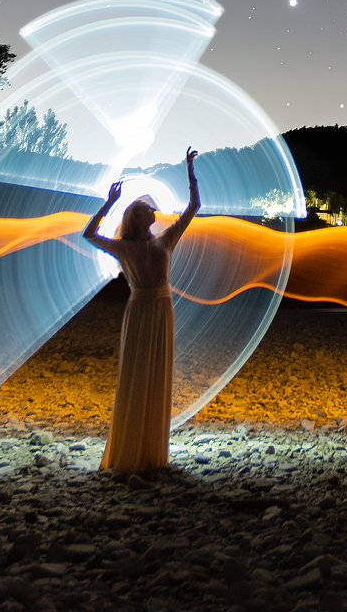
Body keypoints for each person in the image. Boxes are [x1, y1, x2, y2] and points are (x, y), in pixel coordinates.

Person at [82, 147, 202, 474]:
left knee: (155, 374)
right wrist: (107, 204)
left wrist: (190, 172)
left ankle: (149, 453)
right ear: (138, 218)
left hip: (160, 309)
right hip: (144, 309)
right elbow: (89, 234)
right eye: (147, 208)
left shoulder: (165, 240)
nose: (154, 210)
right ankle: (133, 451)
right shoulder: (125, 246)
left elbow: (194, 206)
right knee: (137, 375)